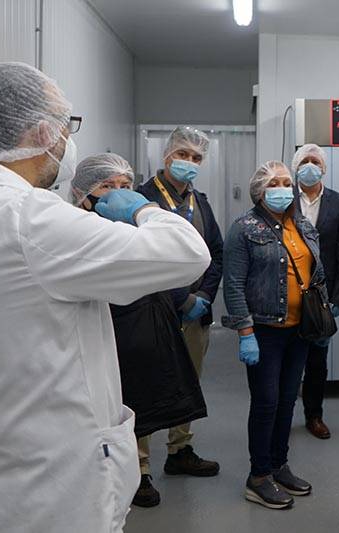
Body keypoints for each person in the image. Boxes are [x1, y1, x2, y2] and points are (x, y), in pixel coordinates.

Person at [0, 62, 210, 532]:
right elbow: (187, 253)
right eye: (69, 127)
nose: (69, 141)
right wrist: (144, 207)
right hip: (56, 495)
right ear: (45, 131)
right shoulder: (29, 218)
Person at [71, 154, 208, 508]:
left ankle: (157, 462)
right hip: (109, 333)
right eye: (106, 187)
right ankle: (136, 472)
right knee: (121, 404)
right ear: (82, 192)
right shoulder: (78, 233)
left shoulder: (137, 226)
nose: (117, 195)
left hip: (150, 322)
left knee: (153, 397)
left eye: (124, 187)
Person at [223, 161, 327, 510]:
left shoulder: (303, 225)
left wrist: (321, 316)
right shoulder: (244, 228)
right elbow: (234, 283)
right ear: (260, 190)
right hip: (265, 332)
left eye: (287, 182)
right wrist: (245, 331)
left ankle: (279, 465)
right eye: (275, 183)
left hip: (299, 331)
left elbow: (317, 274)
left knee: (286, 401)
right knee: (266, 403)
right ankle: (258, 476)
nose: (284, 188)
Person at [137, 126, 223, 479]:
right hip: (153, 312)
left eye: (196, 158)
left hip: (195, 315)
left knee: (188, 379)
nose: (189, 163)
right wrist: (180, 298)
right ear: (167, 155)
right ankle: (140, 466)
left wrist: (203, 296)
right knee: (146, 384)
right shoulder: (143, 199)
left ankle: (180, 450)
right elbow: (142, 257)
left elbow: (216, 252)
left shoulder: (199, 201)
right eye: (183, 155)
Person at [292, 143, 339, 440]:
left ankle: (314, 415)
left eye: (315, 161)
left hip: (321, 297)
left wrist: (338, 299)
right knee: (286, 359)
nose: (309, 166)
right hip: (288, 292)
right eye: (304, 161)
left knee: (317, 361)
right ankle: (281, 413)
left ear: (324, 168)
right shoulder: (282, 198)